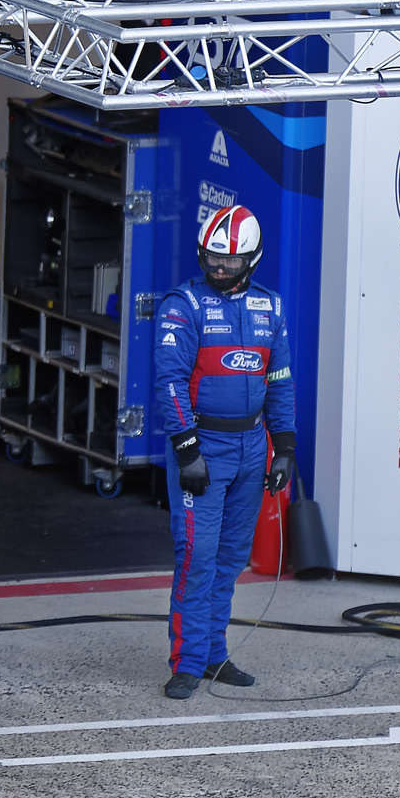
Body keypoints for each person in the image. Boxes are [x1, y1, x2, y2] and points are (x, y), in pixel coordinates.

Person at [153, 203, 294, 700]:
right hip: (204, 446)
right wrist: (187, 448)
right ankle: (188, 662)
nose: (219, 267)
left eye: (230, 260)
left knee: (231, 558)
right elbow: (170, 381)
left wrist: (285, 447)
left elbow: (280, 380)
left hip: (253, 446)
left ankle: (214, 653)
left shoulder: (270, 307)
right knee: (197, 556)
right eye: (213, 257)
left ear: (251, 259)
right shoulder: (182, 305)